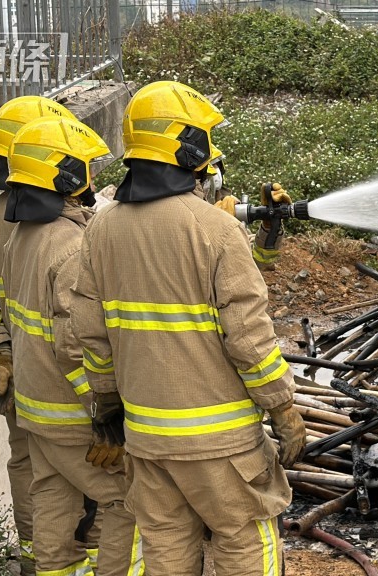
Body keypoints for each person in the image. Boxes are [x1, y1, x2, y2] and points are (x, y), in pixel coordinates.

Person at [71, 80, 307, 576]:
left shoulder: (101, 229)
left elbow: (91, 334)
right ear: (187, 146)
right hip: (222, 444)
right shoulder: (216, 231)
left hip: (148, 438)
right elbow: (249, 339)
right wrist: (282, 406)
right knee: (245, 536)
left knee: (166, 548)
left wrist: (108, 405)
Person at [1, 116, 141, 576]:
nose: (94, 179)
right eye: (86, 169)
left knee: (54, 508)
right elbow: (74, 343)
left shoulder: (21, 238)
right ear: (64, 176)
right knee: (128, 501)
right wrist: (106, 413)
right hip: (75, 417)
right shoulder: (70, 250)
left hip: (36, 411)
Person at [0, 94, 78, 576]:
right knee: (95, 488)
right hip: (73, 388)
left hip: (22, 384)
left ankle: (37, 565)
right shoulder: (59, 226)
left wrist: (1, 354)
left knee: (33, 473)